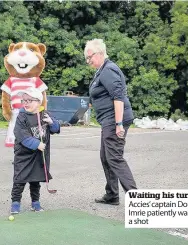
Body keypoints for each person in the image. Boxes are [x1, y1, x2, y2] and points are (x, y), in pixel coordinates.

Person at [84, 39, 137, 205]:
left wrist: (119, 124)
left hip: (114, 119)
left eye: (89, 56)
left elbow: (118, 97)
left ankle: (136, 199)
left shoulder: (108, 70)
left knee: (114, 157)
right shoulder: (102, 70)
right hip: (108, 119)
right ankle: (112, 195)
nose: (88, 61)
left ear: (99, 53)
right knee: (105, 156)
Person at [10, 87, 60, 214]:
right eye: (24, 100)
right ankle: (15, 202)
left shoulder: (45, 114)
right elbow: (20, 134)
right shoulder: (22, 116)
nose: (25, 103)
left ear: (38, 101)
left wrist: (52, 123)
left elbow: (56, 129)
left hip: (39, 156)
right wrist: (36, 143)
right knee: (19, 180)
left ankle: (35, 202)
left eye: (29, 100)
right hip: (24, 155)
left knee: (35, 179)